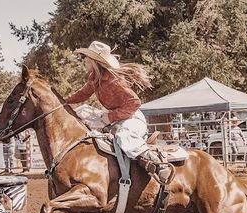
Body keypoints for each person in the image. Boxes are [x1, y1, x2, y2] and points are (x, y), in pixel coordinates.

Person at [64, 41, 172, 184]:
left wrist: (110, 117)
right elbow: (82, 94)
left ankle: (157, 164)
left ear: (94, 61)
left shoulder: (114, 80)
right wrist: (62, 101)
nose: (84, 60)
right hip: (114, 118)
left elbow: (134, 103)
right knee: (82, 111)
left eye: (87, 58)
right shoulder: (94, 78)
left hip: (132, 117)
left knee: (123, 135)